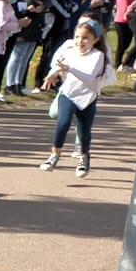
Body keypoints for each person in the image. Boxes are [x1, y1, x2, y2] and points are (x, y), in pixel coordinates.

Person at [39, 17, 115, 178]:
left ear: (96, 40)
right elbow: (58, 66)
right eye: (77, 37)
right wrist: (52, 75)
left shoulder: (98, 56)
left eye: (86, 38)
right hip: (68, 94)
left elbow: (88, 78)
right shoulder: (69, 51)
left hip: (88, 97)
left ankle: (84, 158)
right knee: (63, 122)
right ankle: (54, 155)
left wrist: (70, 69)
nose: (80, 41)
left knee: (84, 132)